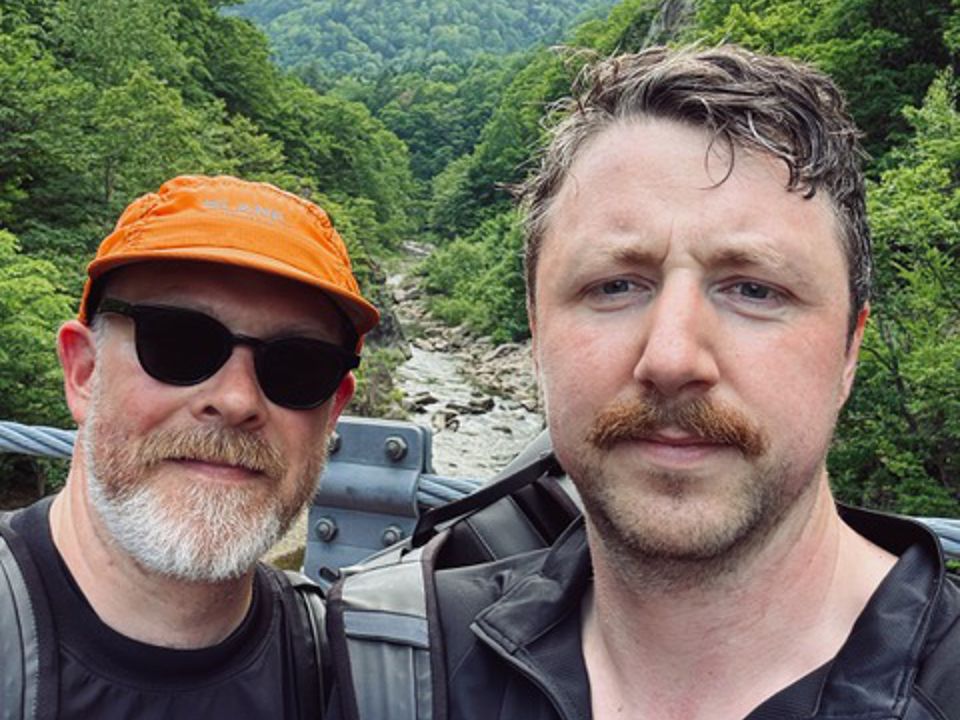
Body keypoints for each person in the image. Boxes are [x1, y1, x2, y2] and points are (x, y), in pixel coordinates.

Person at [326, 45, 960, 719]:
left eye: (754, 288)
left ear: (849, 349)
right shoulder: (394, 663)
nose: (672, 356)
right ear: (538, 335)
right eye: (616, 285)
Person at [0, 174, 378, 718]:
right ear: (84, 372)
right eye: (178, 343)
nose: (236, 399)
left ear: (332, 414)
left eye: (298, 366)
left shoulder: (354, 678)